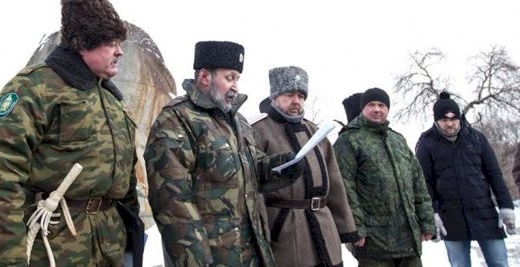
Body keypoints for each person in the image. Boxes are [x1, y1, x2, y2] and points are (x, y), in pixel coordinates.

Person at [0, 0, 141, 266]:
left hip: (109, 247)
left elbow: (126, 184)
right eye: (111, 43)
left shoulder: (112, 101)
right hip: (53, 248)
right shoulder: (34, 88)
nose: (120, 51)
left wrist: (131, 240)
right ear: (84, 42)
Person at [144, 41, 302, 266]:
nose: (235, 86)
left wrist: (282, 167)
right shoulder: (177, 120)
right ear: (205, 77)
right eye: (229, 78)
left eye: (237, 79)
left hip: (252, 255)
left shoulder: (239, 122)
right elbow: (172, 202)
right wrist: (197, 262)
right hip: (212, 258)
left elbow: (252, 171)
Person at [251, 66, 360, 267]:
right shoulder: (257, 131)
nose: (296, 101)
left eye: (301, 96)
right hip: (285, 233)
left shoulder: (315, 131)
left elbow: (335, 183)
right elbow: (252, 187)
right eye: (289, 95)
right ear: (274, 97)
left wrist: (347, 228)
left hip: (324, 228)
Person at [333, 87, 435, 267]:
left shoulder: (398, 140)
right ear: (363, 108)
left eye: (381, 105)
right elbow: (344, 188)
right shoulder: (349, 140)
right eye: (371, 105)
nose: (377, 109)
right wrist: (355, 228)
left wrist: (426, 221)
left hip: (408, 238)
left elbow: (418, 183)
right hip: (374, 241)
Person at [415, 91, 515, 267]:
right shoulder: (426, 143)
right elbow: (424, 183)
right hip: (450, 218)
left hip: (485, 212)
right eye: (444, 120)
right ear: (436, 120)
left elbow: (494, 175)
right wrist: (432, 214)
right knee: (459, 264)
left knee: (499, 262)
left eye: (454, 119)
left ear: (459, 118)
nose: (450, 124)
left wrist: (506, 206)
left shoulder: (476, 138)